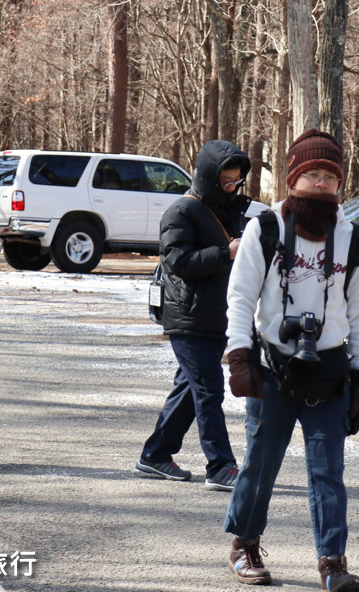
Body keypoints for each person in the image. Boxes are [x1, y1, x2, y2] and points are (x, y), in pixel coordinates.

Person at [221, 129, 359, 592]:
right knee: (260, 464)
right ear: (292, 179)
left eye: (330, 175)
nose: (322, 183)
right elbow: (241, 296)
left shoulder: (354, 239)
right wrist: (239, 356)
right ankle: (244, 543)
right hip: (272, 368)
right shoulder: (264, 229)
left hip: (329, 372)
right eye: (312, 174)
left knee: (328, 470)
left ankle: (333, 561)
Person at [136, 140, 252, 490]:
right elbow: (178, 262)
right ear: (207, 178)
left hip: (215, 316)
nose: (231, 188)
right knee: (209, 390)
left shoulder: (228, 208)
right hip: (188, 318)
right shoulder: (181, 212)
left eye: (236, 181)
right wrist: (225, 252)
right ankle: (220, 466)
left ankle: (155, 455)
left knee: (189, 388)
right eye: (225, 182)